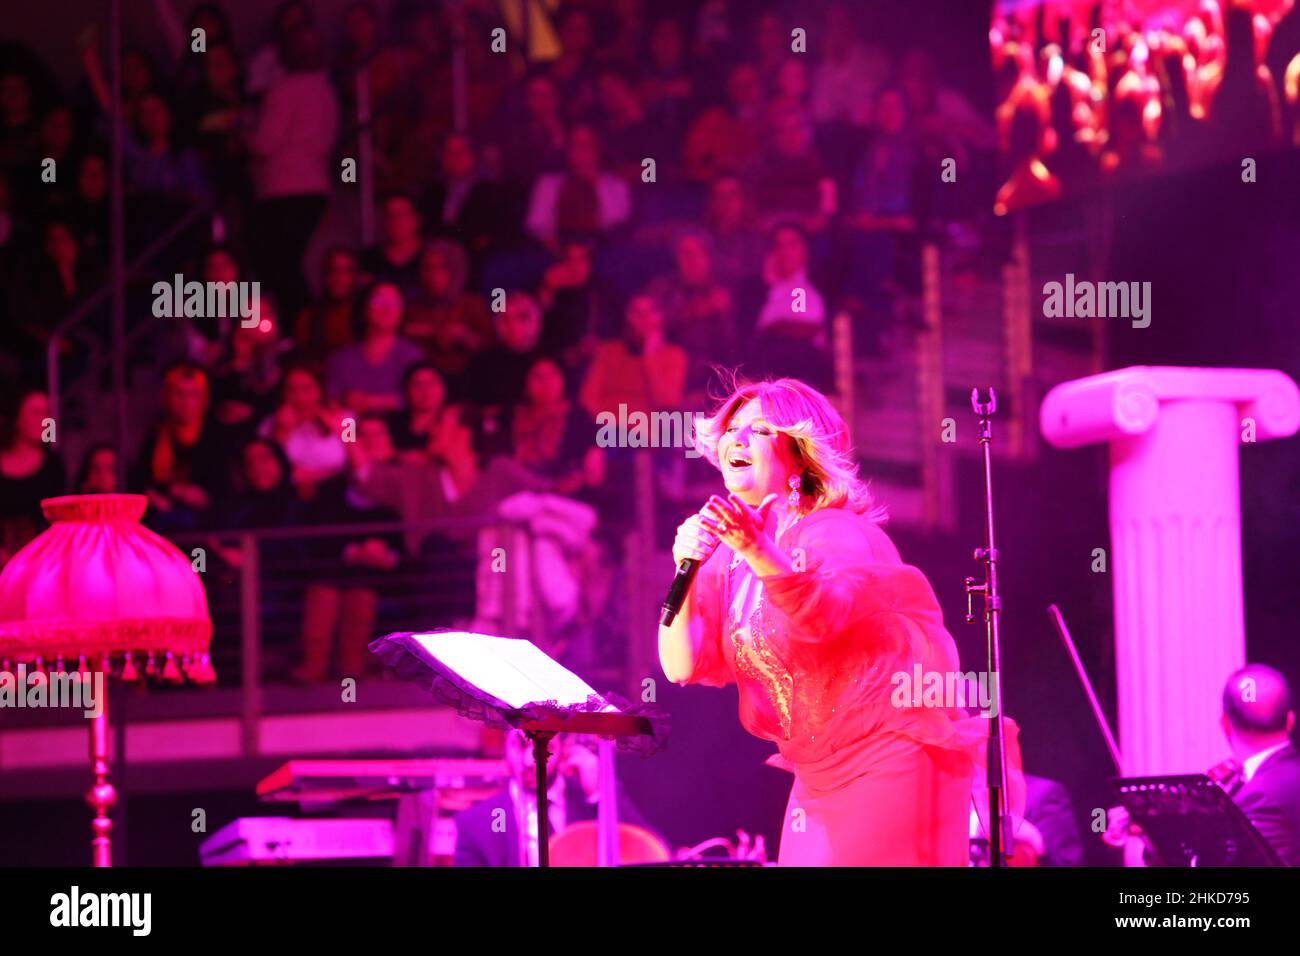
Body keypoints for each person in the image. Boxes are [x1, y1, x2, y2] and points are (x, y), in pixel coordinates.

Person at [659, 377, 986, 865]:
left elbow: (821, 618)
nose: (738, 439)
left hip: (888, 753)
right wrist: (684, 563)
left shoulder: (836, 532)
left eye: (761, 430)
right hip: (817, 774)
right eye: (732, 429)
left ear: (800, 455)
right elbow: (680, 666)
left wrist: (759, 551)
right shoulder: (727, 561)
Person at [453, 730, 658, 867]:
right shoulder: (474, 824)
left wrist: (598, 796)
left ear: (563, 749)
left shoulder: (589, 798)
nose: (528, 761)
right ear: (504, 746)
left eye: (544, 748)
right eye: (519, 745)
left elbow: (652, 851)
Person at [0, 388, 64, 566]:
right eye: (36, 413)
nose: (45, 420)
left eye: (47, 413)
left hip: (42, 562)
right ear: (16, 416)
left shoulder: (53, 464)